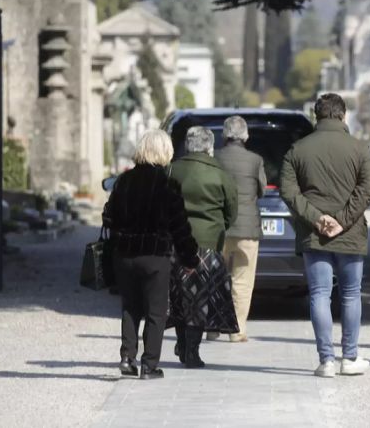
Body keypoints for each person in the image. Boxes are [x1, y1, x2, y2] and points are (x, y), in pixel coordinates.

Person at [280, 93, 370, 378]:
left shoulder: (297, 150)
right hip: (350, 234)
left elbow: (289, 192)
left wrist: (316, 218)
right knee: (350, 294)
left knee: (320, 294)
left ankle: (326, 361)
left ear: (316, 116)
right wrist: (342, 220)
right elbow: (368, 189)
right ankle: (349, 357)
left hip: (314, 234)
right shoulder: (360, 149)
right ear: (343, 115)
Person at [105, 130, 200, 380]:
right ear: (165, 152)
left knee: (130, 307)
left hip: (124, 255)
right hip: (155, 256)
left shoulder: (123, 182)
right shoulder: (168, 185)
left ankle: (127, 358)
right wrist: (190, 258)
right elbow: (180, 227)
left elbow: (108, 216)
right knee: (157, 311)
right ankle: (149, 365)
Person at [169, 126, 238, 368]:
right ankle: (192, 352)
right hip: (208, 244)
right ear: (210, 147)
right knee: (199, 299)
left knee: (178, 297)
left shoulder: (172, 170)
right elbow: (232, 212)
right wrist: (218, 228)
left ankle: (182, 343)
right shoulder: (221, 174)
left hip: (175, 243)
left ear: (188, 146)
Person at [214, 116, 267, 342]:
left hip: (219, 228)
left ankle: (213, 327)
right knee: (243, 281)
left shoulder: (214, 157)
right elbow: (262, 189)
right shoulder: (255, 160)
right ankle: (237, 331)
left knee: (215, 278)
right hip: (247, 229)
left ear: (225, 135)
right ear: (245, 136)